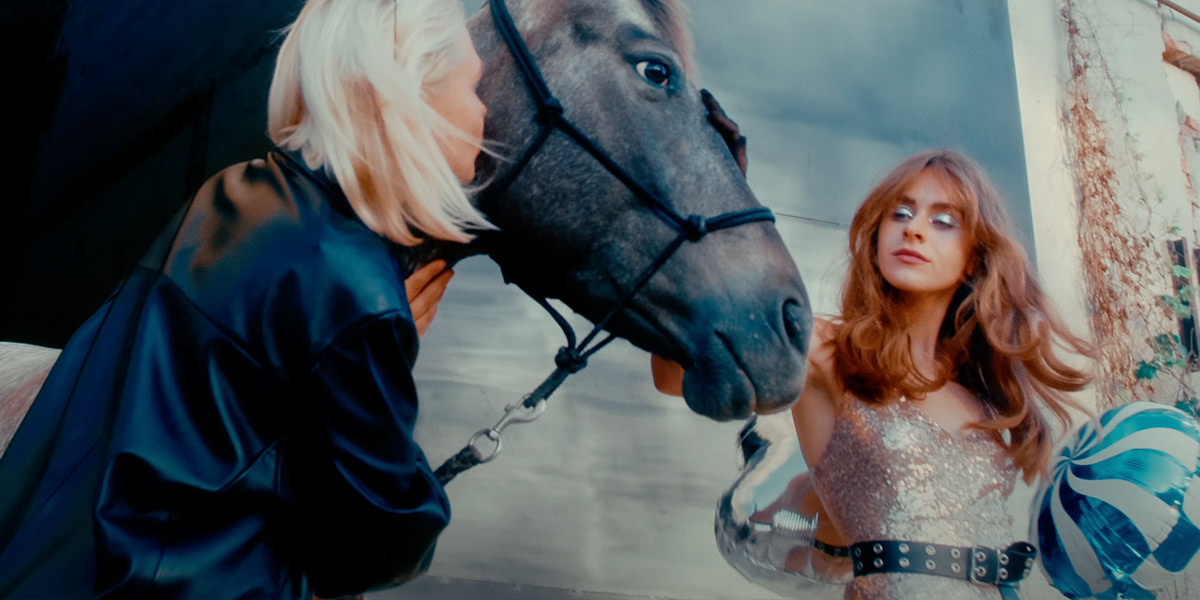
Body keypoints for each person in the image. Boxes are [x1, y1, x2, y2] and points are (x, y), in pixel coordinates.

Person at [0, 0, 490, 597]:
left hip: (70, 563)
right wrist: (388, 344)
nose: (484, 111)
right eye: (473, 86)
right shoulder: (357, 287)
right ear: (412, 97)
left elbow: (210, 421)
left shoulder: (231, 194)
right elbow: (380, 543)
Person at [654, 150, 1093, 600]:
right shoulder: (828, 351)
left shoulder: (984, 399)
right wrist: (694, 218)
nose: (914, 228)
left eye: (943, 221)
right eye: (899, 213)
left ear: (973, 258)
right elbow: (676, 375)